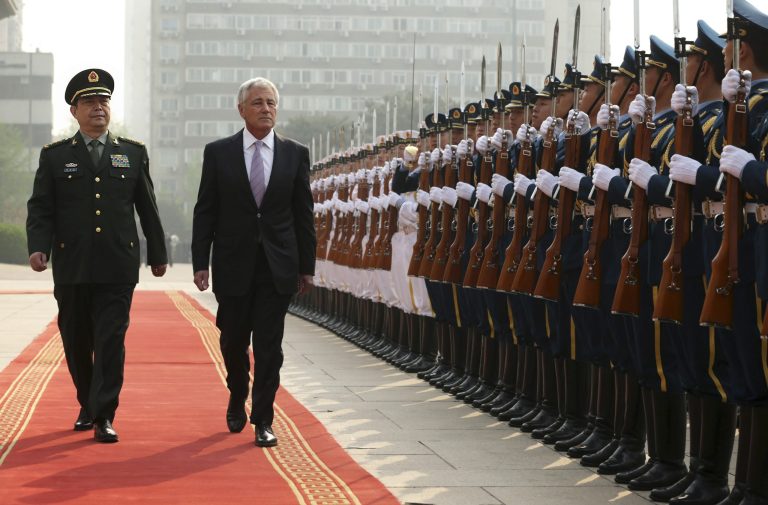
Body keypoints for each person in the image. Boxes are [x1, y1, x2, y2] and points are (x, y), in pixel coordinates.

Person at [26, 68, 168, 443]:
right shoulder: (55, 157)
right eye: (89, 102)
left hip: (118, 264)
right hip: (72, 264)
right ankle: (87, 403)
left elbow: (148, 208)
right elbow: (41, 207)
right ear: (74, 111)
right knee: (75, 338)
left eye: (103, 100)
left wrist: (158, 252)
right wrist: (37, 246)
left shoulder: (132, 153)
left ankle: (104, 413)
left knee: (110, 339)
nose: (98, 107)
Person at [191, 77, 315, 448]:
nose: (266, 109)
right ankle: (236, 392)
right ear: (241, 109)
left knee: (269, 347)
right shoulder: (219, 152)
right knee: (232, 340)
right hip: (233, 264)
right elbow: (206, 210)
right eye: (258, 102)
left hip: (277, 267)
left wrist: (306, 266)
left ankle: (263, 418)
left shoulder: (295, 153)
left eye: (272, 103)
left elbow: (303, 214)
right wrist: (201, 261)